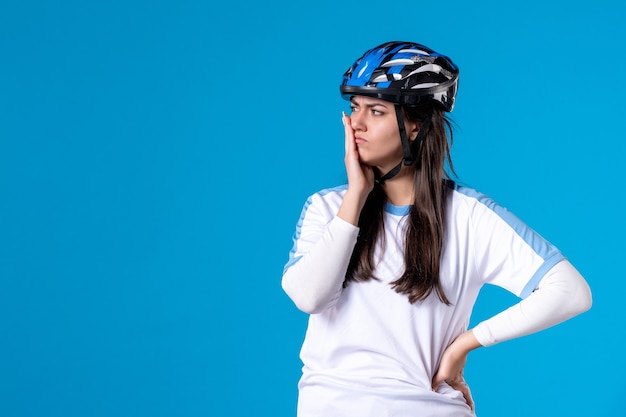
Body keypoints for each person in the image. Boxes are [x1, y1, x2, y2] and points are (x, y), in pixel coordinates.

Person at [281, 41, 592, 417]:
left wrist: (465, 344)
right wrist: (356, 197)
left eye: (376, 111)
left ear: (414, 127)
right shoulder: (327, 207)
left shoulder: (469, 215)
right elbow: (309, 298)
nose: (357, 124)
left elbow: (571, 292)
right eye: (354, 108)